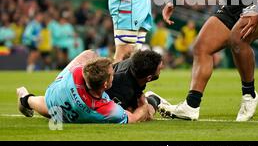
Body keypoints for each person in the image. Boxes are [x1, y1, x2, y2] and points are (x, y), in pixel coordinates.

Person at [16, 49, 166, 124]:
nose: (114, 71)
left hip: (56, 92)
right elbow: (132, 117)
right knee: (145, 111)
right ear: (106, 85)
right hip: (66, 113)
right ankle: (25, 98)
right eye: (111, 74)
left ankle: (25, 98)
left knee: (89, 53)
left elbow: (88, 59)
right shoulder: (107, 108)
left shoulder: (76, 73)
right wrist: (144, 108)